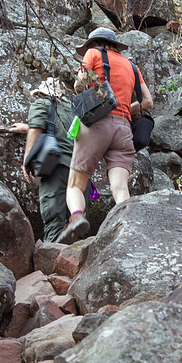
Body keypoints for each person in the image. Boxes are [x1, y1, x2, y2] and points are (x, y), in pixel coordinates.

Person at [56, 27, 153, 244]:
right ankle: (128, 229)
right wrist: (124, 106)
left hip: (96, 125)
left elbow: (79, 84)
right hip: (124, 129)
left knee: (75, 184)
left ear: (93, 43)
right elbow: (148, 102)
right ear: (116, 45)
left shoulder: (93, 54)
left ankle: (76, 218)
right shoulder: (132, 66)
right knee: (119, 187)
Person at [20, 76, 76, 243]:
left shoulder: (41, 104)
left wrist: (27, 161)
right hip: (77, 168)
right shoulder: (71, 109)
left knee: (54, 219)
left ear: (41, 93)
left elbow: (36, 130)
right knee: (73, 222)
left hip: (55, 167)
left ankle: (52, 262)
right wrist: (25, 127)